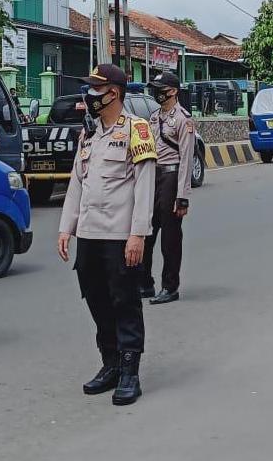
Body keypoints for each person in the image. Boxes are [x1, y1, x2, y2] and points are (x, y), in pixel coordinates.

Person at [58, 64, 156, 406]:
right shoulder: (90, 135)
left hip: (119, 235)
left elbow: (145, 186)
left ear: (112, 92)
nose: (90, 96)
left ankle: (130, 371)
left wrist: (138, 234)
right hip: (89, 234)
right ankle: (110, 363)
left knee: (124, 301)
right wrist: (66, 228)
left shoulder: (137, 130)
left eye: (95, 89)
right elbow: (76, 183)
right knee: (97, 299)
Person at [140, 71, 196, 305]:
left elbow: (186, 159)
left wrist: (182, 197)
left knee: (170, 238)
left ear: (172, 91)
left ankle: (170, 286)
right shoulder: (153, 117)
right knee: (146, 233)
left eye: (160, 89)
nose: (156, 93)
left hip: (172, 178)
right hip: (153, 176)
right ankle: (144, 284)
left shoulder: (183, 119)